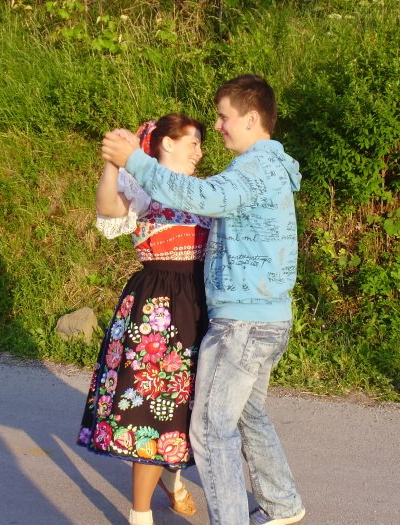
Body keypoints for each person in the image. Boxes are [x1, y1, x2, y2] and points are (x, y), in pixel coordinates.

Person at [101, 74, 306, 525]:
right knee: (249, 414)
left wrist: (134, 160)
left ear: (250, 119)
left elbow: (201, 195)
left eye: (223, 117)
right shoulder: (271, 166)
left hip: (242, 322)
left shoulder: (252, 170)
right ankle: (281, 504)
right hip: (267, 316)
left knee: (212, 432)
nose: (217, 126)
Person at [77, 113, 212, 525]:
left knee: (187, 404)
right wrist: (113, 163)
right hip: (158, 306)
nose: (200, 152)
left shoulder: (205, 189)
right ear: (167, 143)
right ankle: (140, 514)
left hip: (200, 301)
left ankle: (171, 478)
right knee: (152, 408)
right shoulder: (143, 189)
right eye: (193, 143)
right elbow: (108, 207)